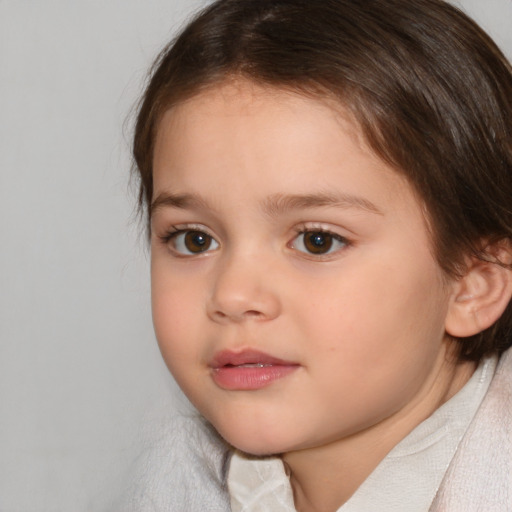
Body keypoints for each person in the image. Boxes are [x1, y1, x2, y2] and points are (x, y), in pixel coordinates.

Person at [125, 0, 512, 510]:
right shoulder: (170, 482)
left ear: (472, 283)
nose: (234, 295)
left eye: (317, 240)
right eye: (194, 239)